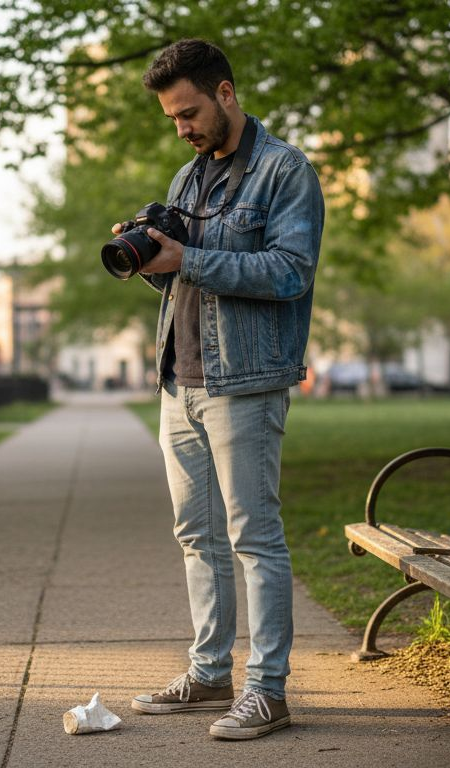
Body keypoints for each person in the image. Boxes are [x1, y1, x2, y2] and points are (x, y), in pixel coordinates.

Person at [117, 39, 324, 740]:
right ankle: (210, 674)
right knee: (196, 536)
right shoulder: (187, 177)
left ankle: (267, 691)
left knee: (254, 537)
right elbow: (181, 277)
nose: (182, 128)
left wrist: (190, 257)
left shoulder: (285, 170)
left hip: (246, 381)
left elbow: (290, 271)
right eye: (172, 118)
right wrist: (152, 256)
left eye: (189, 113)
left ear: (226, 93)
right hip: (179, 379)